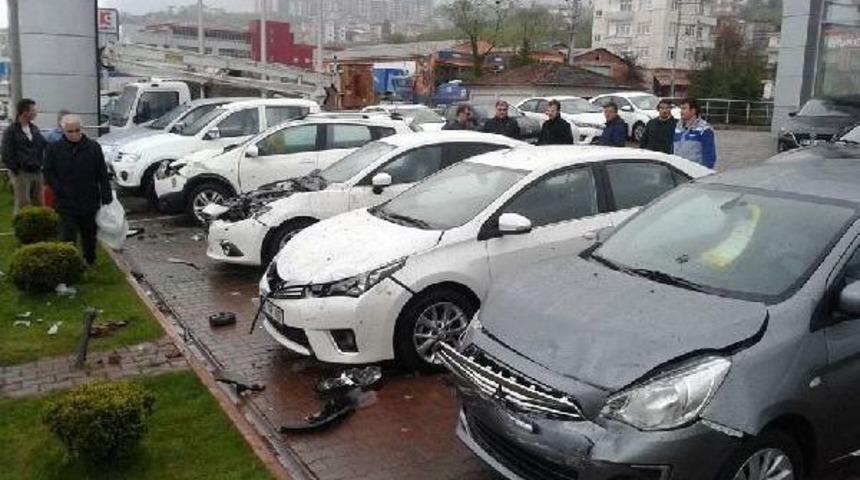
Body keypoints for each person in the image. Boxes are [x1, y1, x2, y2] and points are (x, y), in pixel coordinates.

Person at [44, 114, 112, 266]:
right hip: (65, 200)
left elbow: (102, 172)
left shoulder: (93, 147)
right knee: (67, 234)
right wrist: (59, 188)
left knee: (89, 233)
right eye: (70, 131)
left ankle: (89, 260)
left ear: (82, 129)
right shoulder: (54, 149)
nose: (74, 134)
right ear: (63, 131)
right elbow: (48, 172)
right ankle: (68, 263)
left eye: (77, 130)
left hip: (88, 198)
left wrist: (106, 193)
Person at [2, 98, 47, 213]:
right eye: (33, 110)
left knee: (39, 202)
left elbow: (43, 144)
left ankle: (39, 227)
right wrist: (15, 169)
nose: (35, 112)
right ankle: (21, 228)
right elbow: (6, 152)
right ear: (24, 112)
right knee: (23, 203)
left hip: (36, 170)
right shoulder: (11, 131)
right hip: (21, 172)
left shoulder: (34, 129)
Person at [673, 98, 717, 168]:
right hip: (679, 171)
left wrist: (705, 172)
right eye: (681, 109)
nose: (681, 112)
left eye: (684, 109)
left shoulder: (704, 129)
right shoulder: (677, 127)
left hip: (695, 172)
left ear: (693, 111)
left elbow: (709, 156)